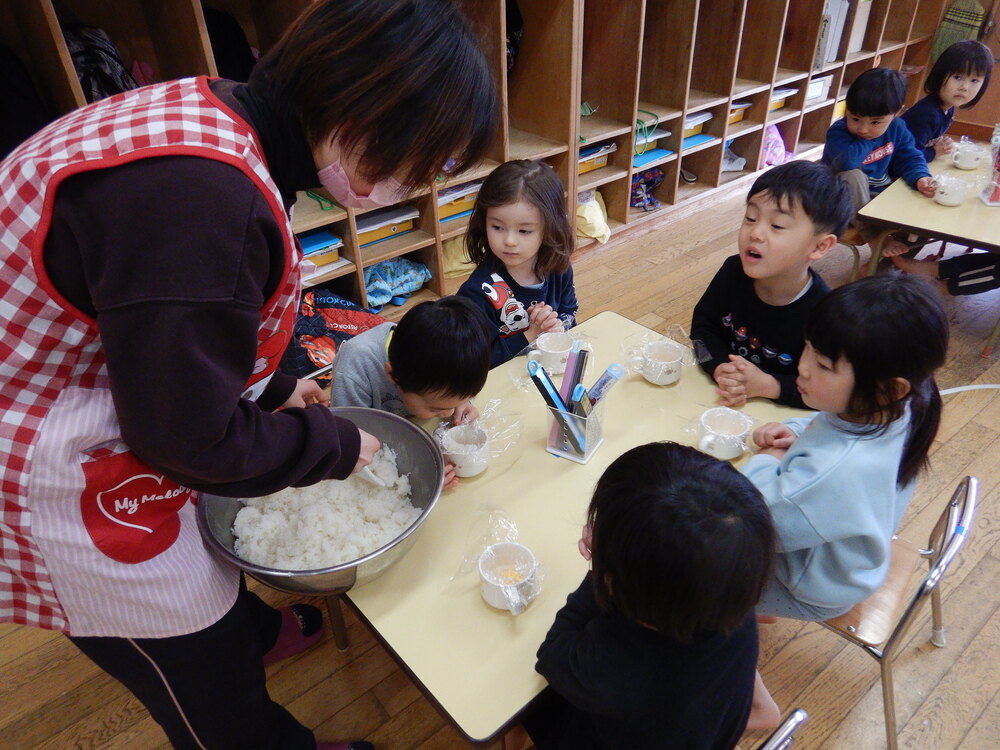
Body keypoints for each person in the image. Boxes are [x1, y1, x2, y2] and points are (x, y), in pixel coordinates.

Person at [0, 0, 498, 748]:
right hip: (37, 455)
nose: (412, 185)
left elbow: (184, 315)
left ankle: (252, 631)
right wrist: (326, 445)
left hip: (103, 388)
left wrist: (272, 384)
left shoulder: (232, 116)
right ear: (363, 109)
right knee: (205, 685)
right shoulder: (202, 198)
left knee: (208, 562)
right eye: (417, 163)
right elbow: (184, 438)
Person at [515, 442, 778, 750]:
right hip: (702, 725)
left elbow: (552, 655)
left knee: (524, 707)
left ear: (618, 580)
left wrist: (598, 573)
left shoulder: (610, 668)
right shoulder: (726, 598)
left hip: (611, 734)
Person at [743, 275, 948, 621]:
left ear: (887, 389)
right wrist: (795, 431)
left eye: (824, 365)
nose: (803, 367)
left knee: (683, 580)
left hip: (810, 589)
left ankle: (741, 642)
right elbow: (827, 430)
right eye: (808, 346)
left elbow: (753, 522)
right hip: (844, 559)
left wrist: (766, 461)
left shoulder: (837, 470)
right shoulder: (906, 405)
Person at [690, 160, 853, 409]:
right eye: (750, 218)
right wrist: (719, 367)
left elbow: (829, 393)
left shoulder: (826, 315)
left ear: (820, 246)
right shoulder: (733, 271)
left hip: (780, 425)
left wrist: (769, 386)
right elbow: (703, 329)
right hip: (721, 402)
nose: (755, 233)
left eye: (777, 225)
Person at [330, 296, 491, 488]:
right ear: (392, 374)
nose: (448, 414)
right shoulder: (356, 368)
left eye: (452, 406)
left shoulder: (444, 361)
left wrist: (463, 403)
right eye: (436, 409)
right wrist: (418, 471)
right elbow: (350, 445)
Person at [458, 159, 578, 367]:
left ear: (549, 228)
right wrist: (531, 334)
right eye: (497, 227)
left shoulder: (559, 268)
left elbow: (570, 313)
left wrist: (557, 327)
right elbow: (476, 362)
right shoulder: (478, 292)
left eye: (524, 231)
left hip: (547, 369)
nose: (509, 241)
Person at [823, 68, 935, 257]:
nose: (863, 129)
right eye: (855, 118)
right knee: (852, 175)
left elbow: (910, 157)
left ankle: (887, 265)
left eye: (875, 122)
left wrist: (921, 178)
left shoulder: (897, 127)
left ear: (896, 113)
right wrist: (872, 138)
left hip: (875, 199)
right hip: (838, 203)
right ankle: (875, 239)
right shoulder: (839, 131)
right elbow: (847, 163)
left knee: (922, 210)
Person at [901, 40, 994, 162]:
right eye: (957, 77)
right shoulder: (926, 114)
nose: (964, 87)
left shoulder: (947, 108)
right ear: (940, 75)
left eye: (974, 81)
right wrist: (934, 152)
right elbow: (905, 157)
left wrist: (939, 144)